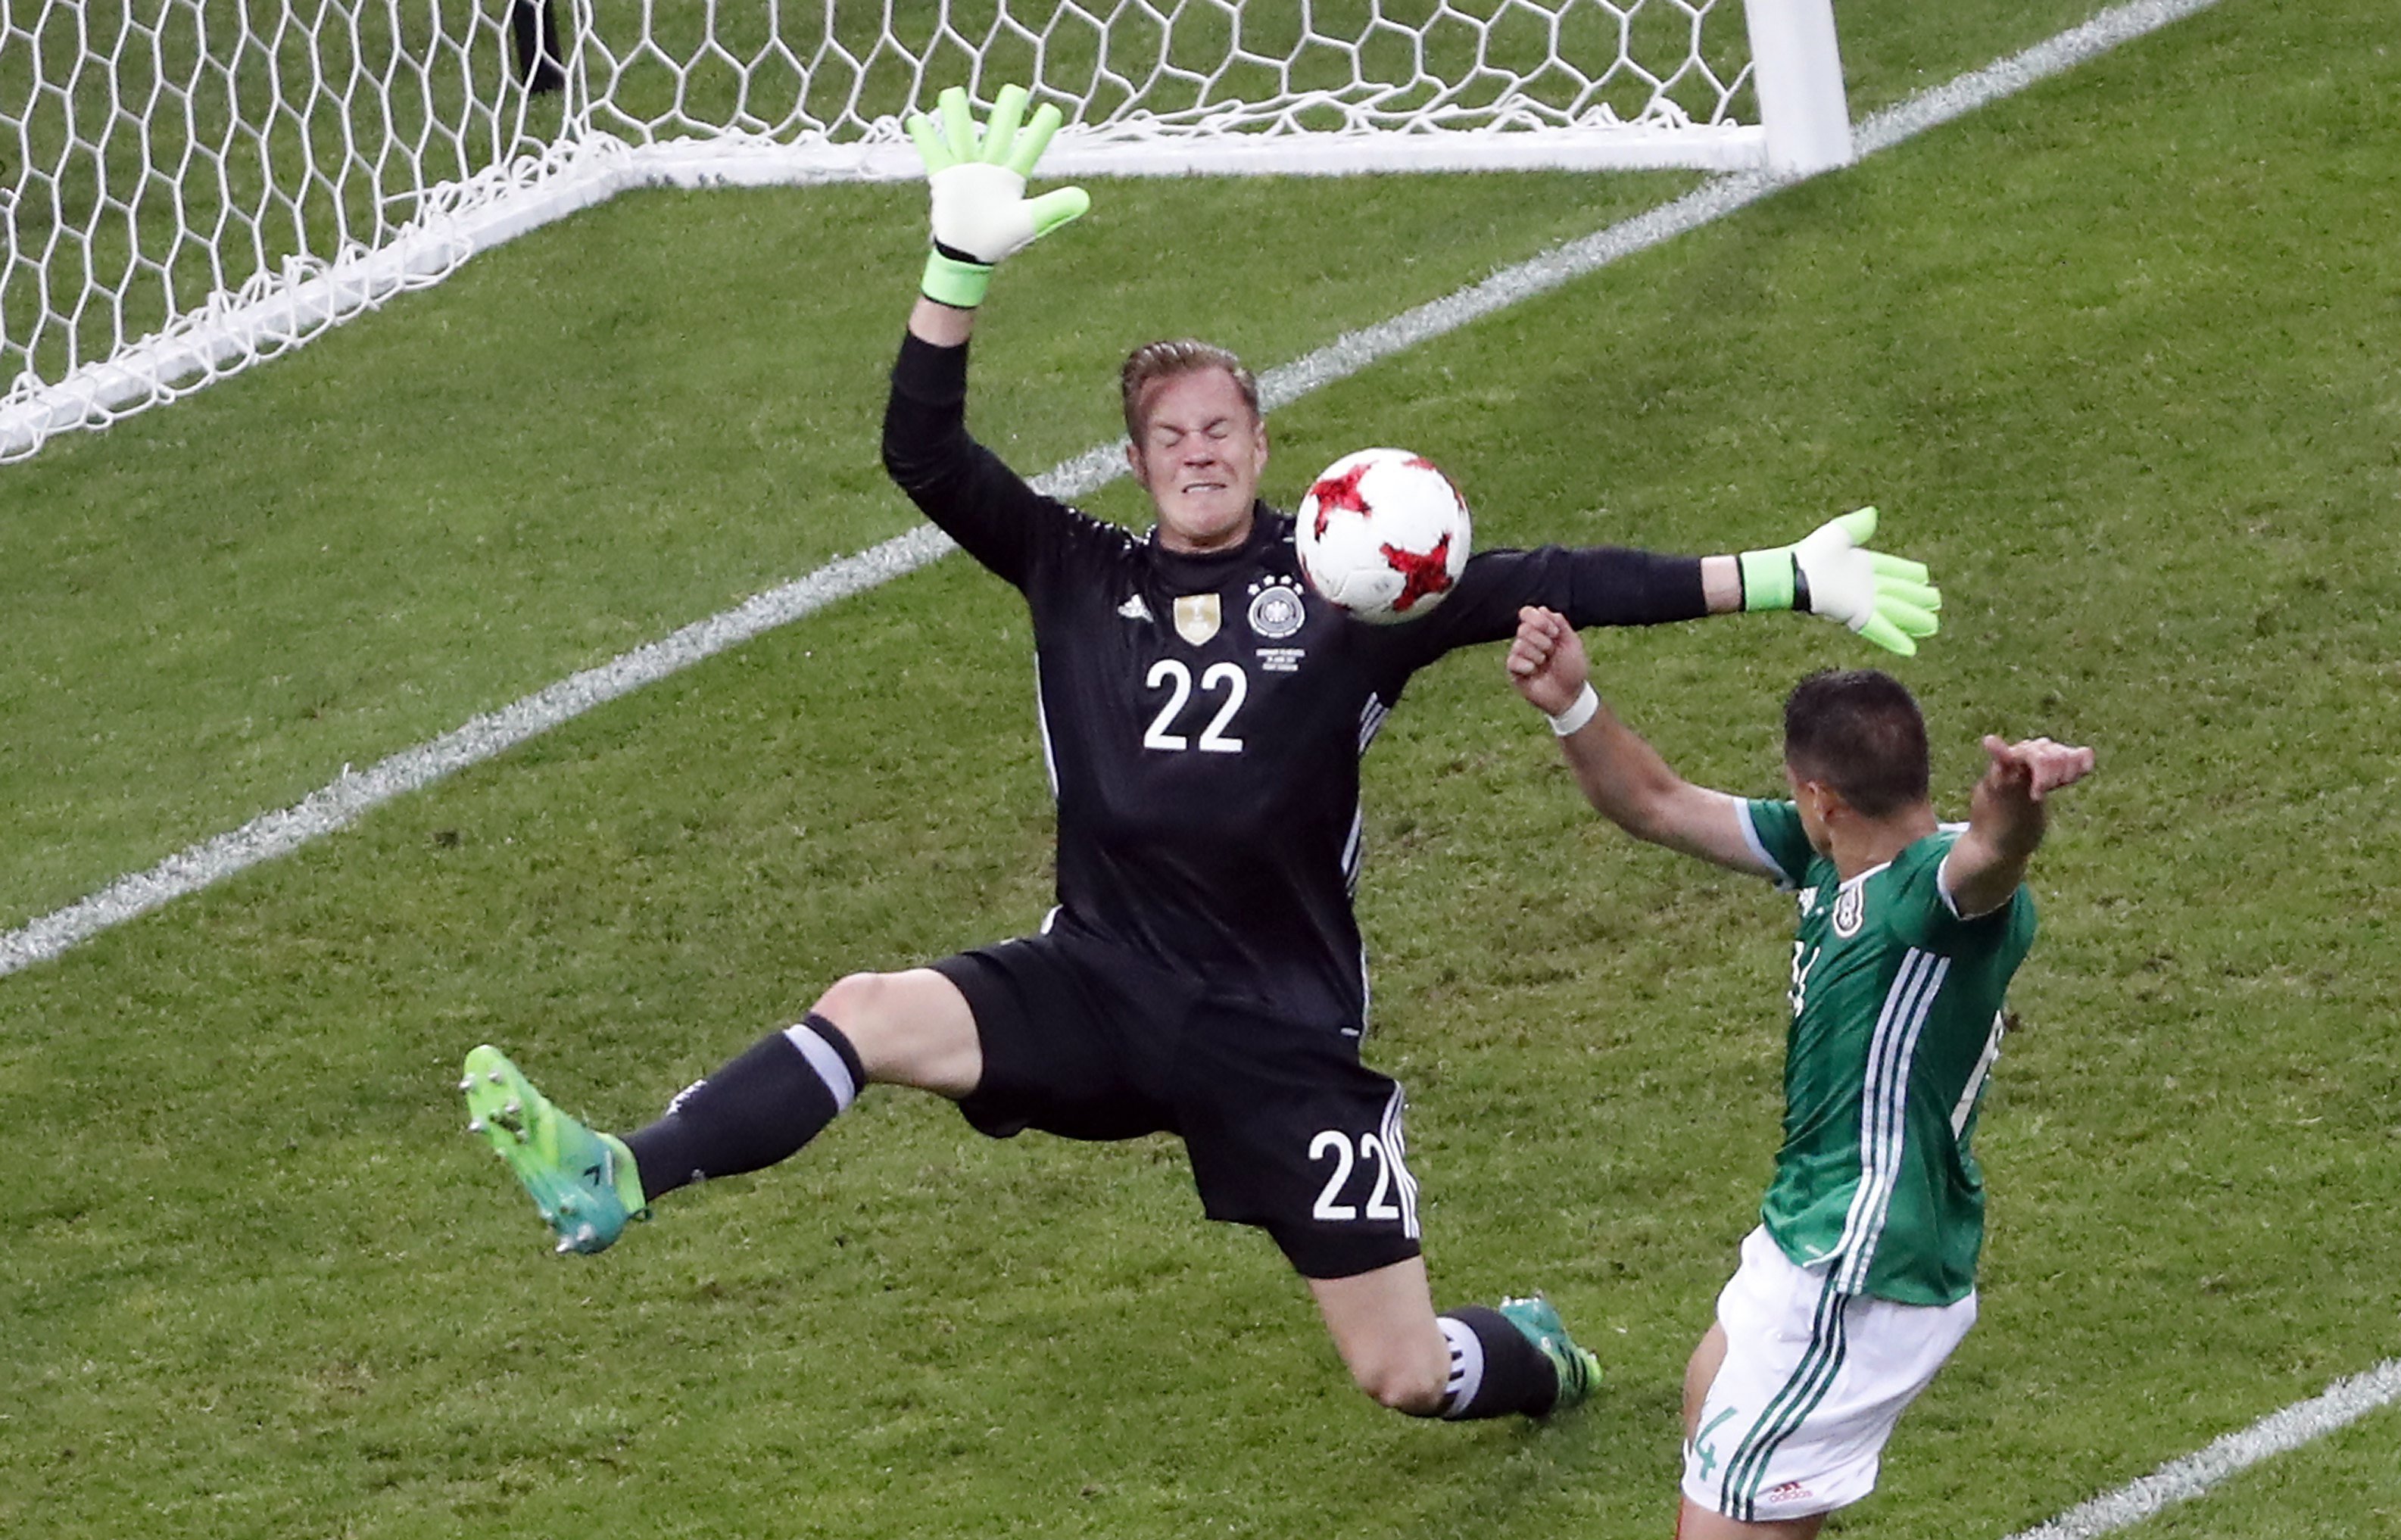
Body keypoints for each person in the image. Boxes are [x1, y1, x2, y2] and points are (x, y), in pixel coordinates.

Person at [458, 85, 1938, 1432]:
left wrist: (1785, 575)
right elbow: (925, 456)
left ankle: (1535, 1358)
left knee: (1403, 1373)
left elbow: (1562, 573)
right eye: (1171, 434)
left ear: (1261, 436)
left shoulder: (1353, 590)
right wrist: (954, 270)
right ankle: (624, 1172)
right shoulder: (1072, 569)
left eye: (1222, 425)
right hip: (1097, 980)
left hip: (1275, 1036)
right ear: (1139, 460)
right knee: (866, 1010)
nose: (1200, 450)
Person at [1502, 605, 2148, 1540]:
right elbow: (1658, 802)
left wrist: (2017, 807)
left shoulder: (1927, 898)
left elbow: (1991, 864)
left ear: (1820, 792)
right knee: (1706, 1377)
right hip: (1806, 1240)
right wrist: (1574, 702)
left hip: (1852, 1278)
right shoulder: (1833, 860)